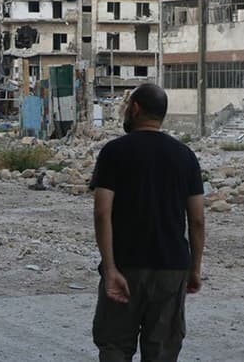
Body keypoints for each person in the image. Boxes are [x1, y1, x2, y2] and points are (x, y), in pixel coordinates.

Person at [90, 83, 205, 362]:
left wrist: (110, 267)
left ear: (136, 109)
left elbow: (102, 212)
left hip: (125, 265)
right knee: (162, 350)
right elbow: (198, 219)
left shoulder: (113, 152)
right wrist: (194, 269)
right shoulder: (185, 156)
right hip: (171, 267)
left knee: (115, 345)